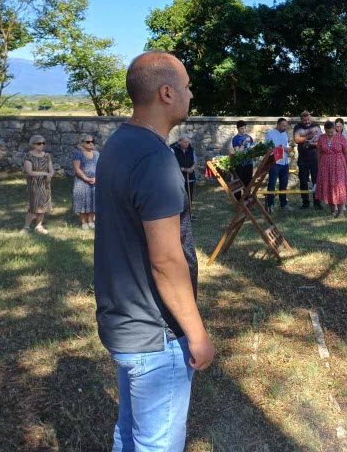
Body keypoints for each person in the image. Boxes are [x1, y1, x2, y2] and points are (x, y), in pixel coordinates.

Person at [94, 51, 215, 452]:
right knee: (156, 443)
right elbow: (166, 260)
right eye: (186, 86)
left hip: (123, 322)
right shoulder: (154, 158)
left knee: (130, 434)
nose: (191, 94)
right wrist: (196, 333)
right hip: (155, 333)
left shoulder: (119, 143)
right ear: (166, 93)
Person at [316, 120, 347, 218]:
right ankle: (332, 212)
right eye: (327, 132)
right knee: (329, 187)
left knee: (339, 187)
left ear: (334, 129)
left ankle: (341, 212)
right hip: (325, 166)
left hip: (339, 165)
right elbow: (319, 153)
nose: (330, 134)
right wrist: (319, 166)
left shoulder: (341, 138)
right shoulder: (321, 138)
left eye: (331, 132)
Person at [22, 135, 54, 235]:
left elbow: (51, 169)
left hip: (45, 184)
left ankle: (39, 226)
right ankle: (26, 227)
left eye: (43, 143)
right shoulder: (29, 156)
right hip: (34, 184)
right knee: (34, 205)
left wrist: (50, 174)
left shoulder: (46, 156)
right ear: (33, 144)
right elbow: (29, 172)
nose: (42, 145)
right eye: (39, 143)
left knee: (43, 205)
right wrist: (45, 173)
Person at [293, 111, 323, 210]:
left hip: (315, 158)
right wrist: (308, 137)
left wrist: (312, 144)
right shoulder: (298, 127)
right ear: (301, 120)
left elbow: (321, 141)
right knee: (303, 181)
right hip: (303, 158)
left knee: (316, 180)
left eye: (308, 119)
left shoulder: (316, 126)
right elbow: (297, 140)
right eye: (304, 120)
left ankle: (317, 202)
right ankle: (305, 202)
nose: (307, 122)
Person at [72, 134, 99, 230]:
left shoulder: (96, 153)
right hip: (81, 181)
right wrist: (86, 178)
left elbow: (100, 167)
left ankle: (91, 221)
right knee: (82, 202)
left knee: (93, 201)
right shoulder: (78, 153)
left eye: (92, 141)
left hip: (95, 181)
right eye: (88, 142)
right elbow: (77, 169)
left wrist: (96, 178)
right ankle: (84, 223)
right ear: (82, 143)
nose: (91, 143)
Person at [265, 118, 290, 212]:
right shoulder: (270, 134)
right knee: (272, 183)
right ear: (278, 125)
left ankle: (283, 204)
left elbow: (286, 145)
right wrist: (282, 148)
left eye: (286, 125)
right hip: (275, 162)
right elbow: (268, 148)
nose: (285, 127)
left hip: (285, 162)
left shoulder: (285, 134)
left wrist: (288, 150)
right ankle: (270, 204)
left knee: (284, 184)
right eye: (283, 125)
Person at [171, 134, 198, 217]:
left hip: (190, 176)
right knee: (179, 195)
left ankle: (189, 213)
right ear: (179, 142)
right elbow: (172, 163)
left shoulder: (191, 149)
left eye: (188, 142)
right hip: (178, 176)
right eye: (185, 142)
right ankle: (178, 215)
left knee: (189, 195)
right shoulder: (173, 150)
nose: (187, 144)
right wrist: (184, 169)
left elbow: (195, 161)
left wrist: (192, 168)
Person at [231, 120, 255, 191]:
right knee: (239, 184)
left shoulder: (249, 137)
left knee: (248, 184)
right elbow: (238, 153)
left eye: (245, 128)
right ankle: (239, 198)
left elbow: (252, 149)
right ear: (238, 129)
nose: (244, 130)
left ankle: (247, 196)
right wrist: (243, 143)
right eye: (242, 128)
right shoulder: (235, 139)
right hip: (240, 164)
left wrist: (253, 150)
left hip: (249, 163)